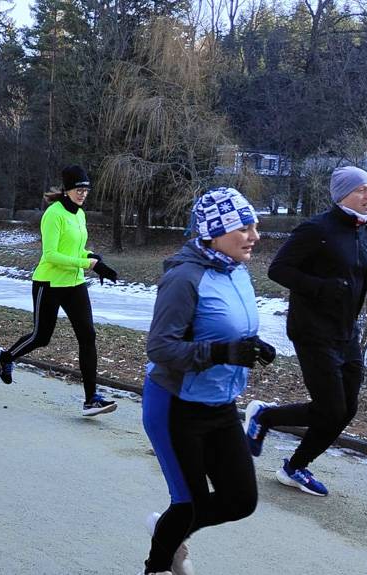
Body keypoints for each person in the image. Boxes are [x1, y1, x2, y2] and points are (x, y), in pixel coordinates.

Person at [243, 166, 367, 497]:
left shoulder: (365, 234)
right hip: (312, 330)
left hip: (347, 332)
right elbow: (279, 269)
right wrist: (320, 287)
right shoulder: (316, 229)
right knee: (330, 408)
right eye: (363, 189)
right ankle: (265, 417)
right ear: (343, 193)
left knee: (347, 409)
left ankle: (295, 466)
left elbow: (362, 274)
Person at [140, 187, 275, 575]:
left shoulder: (238, 272)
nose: (254, 236)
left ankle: (167, 532)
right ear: (215, 232)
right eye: (244, 227)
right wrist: (221, 353)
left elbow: (226, 330)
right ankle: (156, 567)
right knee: (189, 503)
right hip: (175, 406)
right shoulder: (184, 278)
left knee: (240, 500)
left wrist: (252, 346)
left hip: (220, 404)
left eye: (255, 226)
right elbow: (160, 349)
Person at [0, 165, 119, 416]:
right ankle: (7, 357)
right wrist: (87, 263)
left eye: (86, 189)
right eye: (78, 189)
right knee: (42, 336)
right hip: (48, 283)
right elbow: (50, 255)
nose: (83, 194)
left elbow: (74, 250)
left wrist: (92, 258)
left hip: (74, 284)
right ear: (67, 190)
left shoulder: (79, 214)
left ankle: (91, 399)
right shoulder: (54, 214)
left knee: (88, 336)